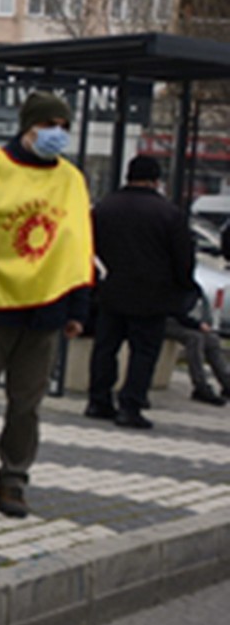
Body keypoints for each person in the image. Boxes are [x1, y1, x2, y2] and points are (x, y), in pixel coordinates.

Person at [0, 90, 93, 518]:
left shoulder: (71, 179)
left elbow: (78, 246)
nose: (56, 134)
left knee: (27, 403)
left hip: (45, 311)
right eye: (48, 125)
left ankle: (13, 479)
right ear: (27, 126)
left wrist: (78, 310)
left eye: (63, 127)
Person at [85, 154, 190, 431]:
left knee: (106, 348)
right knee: (143, 351)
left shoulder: (105, 207)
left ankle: (98, 400)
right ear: (156, 180)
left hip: (112, 289)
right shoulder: (169, 213)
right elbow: (183, 259)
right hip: (152, 295)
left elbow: (89, 246)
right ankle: (130, 405)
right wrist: (181, 288)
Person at [168, 281, 230, 406]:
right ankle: (200, 385)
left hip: (182, 321)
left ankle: (226, 382)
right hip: (164, 320)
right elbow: (176, 311)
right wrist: (197, 325)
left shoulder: (192, 287)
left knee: (212, 339)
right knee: (195, 338)